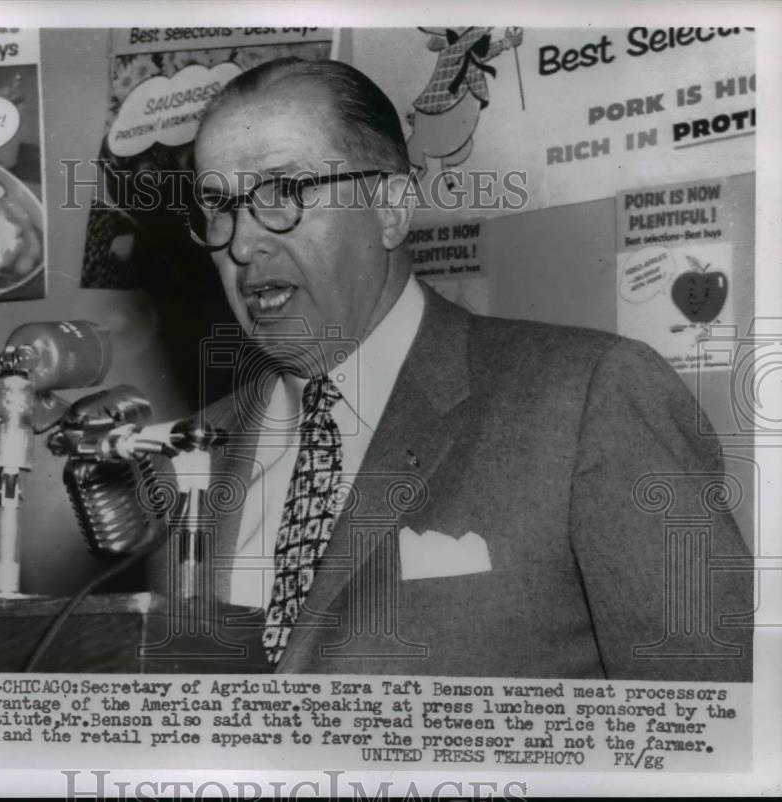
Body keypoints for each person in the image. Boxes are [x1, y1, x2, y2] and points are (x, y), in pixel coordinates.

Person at [148, 57, 752, 679]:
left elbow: (709, 731)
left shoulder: (588, 398)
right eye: (219, 208)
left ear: (390, 207)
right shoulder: (191, 454)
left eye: (285, 192)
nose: (243, 244)